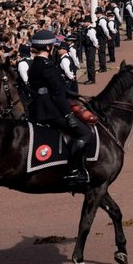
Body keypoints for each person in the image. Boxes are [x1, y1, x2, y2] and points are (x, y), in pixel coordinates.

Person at [27, 30, 93, 186]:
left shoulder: (35, 64)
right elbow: (56, 94)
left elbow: (50, 87)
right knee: (84, 133)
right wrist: (68, 114)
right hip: (51, 109)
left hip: (39, 106)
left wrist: (73, 94)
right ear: (49, 47)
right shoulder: (47, 66)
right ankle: (73, 171)